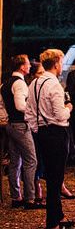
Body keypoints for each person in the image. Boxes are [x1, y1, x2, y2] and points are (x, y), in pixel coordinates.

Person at [25, 49, 75, 229]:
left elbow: (29, 113)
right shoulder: (54, 86)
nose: (62, 66)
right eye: (61, 62)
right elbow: (60, 115)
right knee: (56, 179)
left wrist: (38, 130)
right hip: (56, 132)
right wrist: (69, 108)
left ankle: (58, 215)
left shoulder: (34, 84)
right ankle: (52, 223)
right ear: (56, 64)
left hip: (42, 133)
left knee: (52, 176)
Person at [1, 54, 40, 208]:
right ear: (22, 67)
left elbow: (3, 106)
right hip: (21, 125)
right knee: (31, 160)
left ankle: (16, 197)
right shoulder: (20, 84)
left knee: (15, 162)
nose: (30, 66)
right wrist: (33, 110)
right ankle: (30, 198)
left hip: (11, 124)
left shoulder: (5, 83)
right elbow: (20, 106)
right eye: (28, 64)